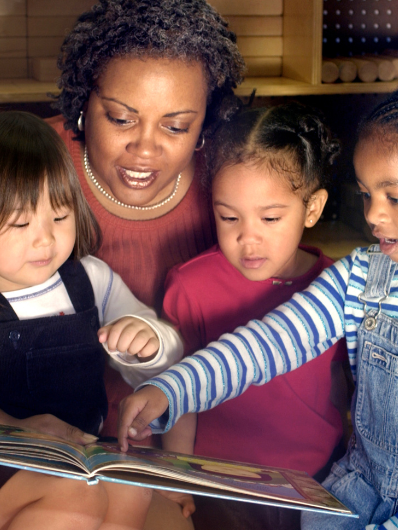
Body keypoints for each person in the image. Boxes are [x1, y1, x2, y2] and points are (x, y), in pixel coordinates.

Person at [119, 59, 398, 530]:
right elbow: (268, 343)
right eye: (366, 193)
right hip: (363, 500)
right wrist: (173, 388)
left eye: (393, 196)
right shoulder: (358, 278)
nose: (373, 215)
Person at [0, 0, 245, 448]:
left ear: (205, 124)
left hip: (171, 451)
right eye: (121, 119)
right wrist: (14, 434)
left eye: (177, 127)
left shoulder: (231, 189)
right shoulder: (8, 170)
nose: (145, 149)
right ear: (83, 100)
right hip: (16, 452)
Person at [0, 111, 183, 530]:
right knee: (74, 498)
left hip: (70, 457)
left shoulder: (92, 279)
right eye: (21, 223)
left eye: (59, 217)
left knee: (131, 485)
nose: (45, 238)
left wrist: (150, 342)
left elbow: (164, 355)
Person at [159, 103, 350, 527]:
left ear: (313, 209)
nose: (248, 237)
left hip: (314, 485)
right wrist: (175, 480)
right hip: (221, 487)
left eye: (270, 218)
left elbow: (347, 391)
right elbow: (179, 396)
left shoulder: (339, 287)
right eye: (229, 217)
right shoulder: (192, 286)